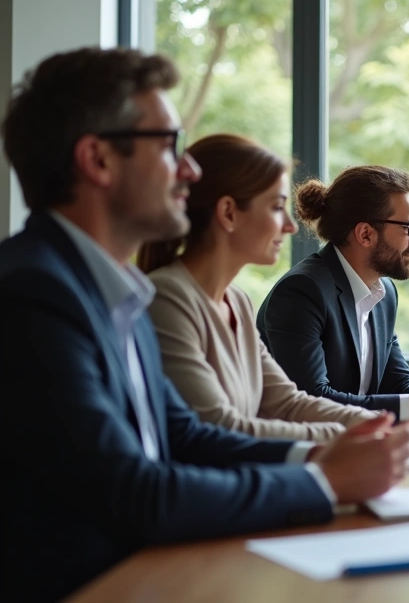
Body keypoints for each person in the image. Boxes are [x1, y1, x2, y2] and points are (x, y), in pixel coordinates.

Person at [0, 47, 409, 600]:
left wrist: (325, 455)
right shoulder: (33, 294)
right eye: (168, 145)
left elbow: (183, 436)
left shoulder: (117, 292)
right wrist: (323, 480)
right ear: (97, 160)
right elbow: (133, 491)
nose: (189, 170)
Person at [138, 133, 378, 442]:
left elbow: (287, 403)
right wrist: (342, 437)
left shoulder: (236, 300)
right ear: (228, 213)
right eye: (277, 207)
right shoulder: (167, 299)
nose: (290, 226)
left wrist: (374, 424)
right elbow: (220, 427)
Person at [256, 165, 409, 422]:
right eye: (408, 226)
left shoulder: (384, 292)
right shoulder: (302, 291)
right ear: (365, 234)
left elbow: (395, 380)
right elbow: (311, 401)